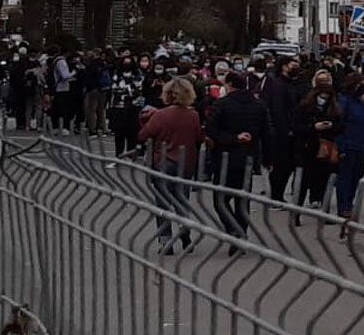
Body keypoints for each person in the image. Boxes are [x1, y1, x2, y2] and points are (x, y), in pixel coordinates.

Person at [207, 72, 272, 252]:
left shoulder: (221, 105)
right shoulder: (259, 105)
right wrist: (267, 158)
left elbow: (212, 130)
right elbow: (267, 134)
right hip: (249, 159)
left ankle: (233, 231)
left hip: (225, 157)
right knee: (242, 200)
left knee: (220, 200)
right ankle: (241, 233)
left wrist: (232, 138)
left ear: (229, 85)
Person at [138, 77, 203, 254]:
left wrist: (145, 121)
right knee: (182, 201)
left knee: (163, 203)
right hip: (185, 163)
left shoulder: (160, 115)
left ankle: (165, 241)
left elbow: (143, 135)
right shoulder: (193, 115)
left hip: (163, 162)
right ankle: (185, 234)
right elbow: (199, 137)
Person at [292, 71, 343, 212]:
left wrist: (331, 125)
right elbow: (296, 127)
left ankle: (323, 208)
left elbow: (341, 126)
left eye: (327, 97)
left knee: (324, 182)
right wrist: (313, 127)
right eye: (322, 96)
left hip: (326, 149)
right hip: (308, 148)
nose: (324, 99)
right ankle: (297, 211)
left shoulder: (334, 108)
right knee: (303, 183)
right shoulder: (304, 107)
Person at [264, 56, 304, 201]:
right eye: (292, 65)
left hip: (293, 131)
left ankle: (279, 194)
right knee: (281, 166)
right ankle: (276, 195)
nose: (296, 67)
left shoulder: (293, 84)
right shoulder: (278, 85)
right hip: (283, 134)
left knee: (289, 165)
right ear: (284, 67)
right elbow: (278, 110)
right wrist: (285, 130)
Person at [337, 73, 364, 220]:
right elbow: (339, 125)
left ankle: (349, 202)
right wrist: (341, 147)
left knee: (358, 174)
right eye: (361, 85)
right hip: (349, 143)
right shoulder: (345, 101)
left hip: (361, 142)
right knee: (346, 176)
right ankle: (344, 206)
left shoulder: (362, 102)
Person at [108, 56, 144, 157]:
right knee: (119, 133)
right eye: (125, 62)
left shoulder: (138, 74)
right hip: (118, 108)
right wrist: (128, 90)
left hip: (133, 108)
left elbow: (137, 90)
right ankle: (118, 155)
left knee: (132, 133)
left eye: (129, 63)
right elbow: (114, 89)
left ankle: (130, 155)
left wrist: (125, 90)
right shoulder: (117, 74)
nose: (127, 65)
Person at [49, 48, 74, 134]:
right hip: (62, 87)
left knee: (57, 108)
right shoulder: (61, 62)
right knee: (63, 108)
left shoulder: (56, 61)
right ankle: (63, 127)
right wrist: (74, 73)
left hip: (58, 87)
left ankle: (56, 127)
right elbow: (65, 75)